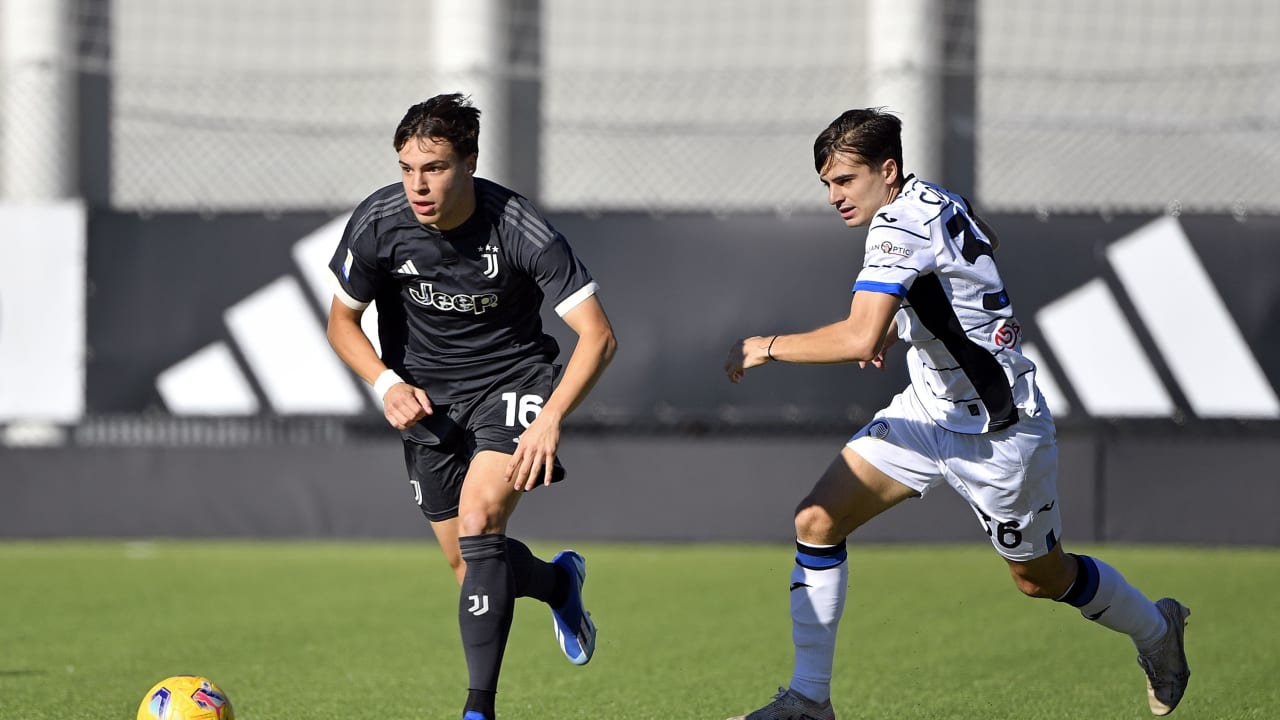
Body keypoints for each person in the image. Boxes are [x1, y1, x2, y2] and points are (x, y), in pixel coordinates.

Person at [722, 108, 1190, 719]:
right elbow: (974, 251)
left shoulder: (895, 226)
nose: (834, 197)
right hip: (927, 411)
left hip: (1000, 432)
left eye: (845, 181)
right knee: (816, 520)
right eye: (827, 185)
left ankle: (1157, 631)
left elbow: (859, 339)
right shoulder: (932, 197)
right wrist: (909, 321)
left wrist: (768, 347)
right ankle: (809, 701)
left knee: (1040, 579)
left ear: (886, 170)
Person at [325, 93, 617, 720]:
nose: (416, 185)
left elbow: (598, 336)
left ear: (470, 164)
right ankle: (558, 582)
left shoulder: (517, 226)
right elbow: (341, 322)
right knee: (467, 561)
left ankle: (477, 709)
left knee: (481, 518)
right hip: (429, 403)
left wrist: (550, 417)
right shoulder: (379, 220)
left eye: (433, 168)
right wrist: (384, 384)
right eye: (406, 167)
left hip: (514, 382)